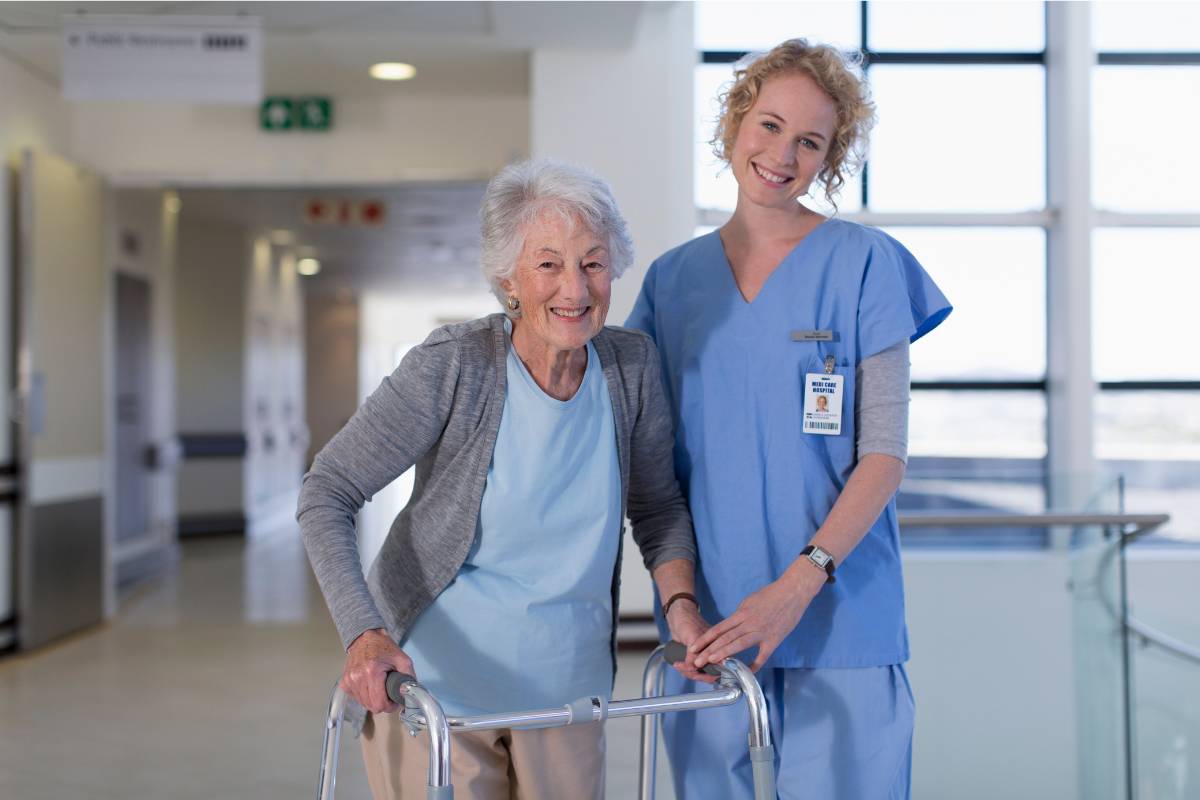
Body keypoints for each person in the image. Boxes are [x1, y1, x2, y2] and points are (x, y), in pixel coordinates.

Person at [298, 159, 707, 800]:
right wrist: (364, 634)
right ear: (508, 278)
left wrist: (681, 607)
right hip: (435, 687)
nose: (575, 288)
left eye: (593, 263)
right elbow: (328, 490)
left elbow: (657, 506)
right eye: (548, 264)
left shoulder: (631, 365)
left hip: (567, 690)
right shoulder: (455, 363)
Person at [626, 39, 952, 799]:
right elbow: (651, 472)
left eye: (810, 141)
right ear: (735, 123)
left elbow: (885, 453)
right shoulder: (672, 282)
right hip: (710, 629)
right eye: (769, 125)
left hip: (842, 618)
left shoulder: (866, 262)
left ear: (830, 157)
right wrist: (679, 603)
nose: (782, 155)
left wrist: (797, 587)